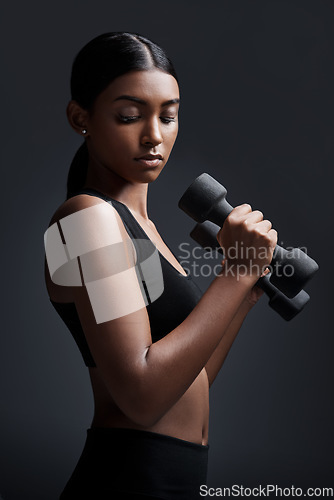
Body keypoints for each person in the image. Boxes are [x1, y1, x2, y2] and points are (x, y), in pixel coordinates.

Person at [44, 32, 277, 499]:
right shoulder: (87, 220)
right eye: (129, 116)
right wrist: (236, 274)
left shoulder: (142, 230)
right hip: (127, 479)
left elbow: (191, 379)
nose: (154, 135)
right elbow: (143, 397)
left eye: (168, 116)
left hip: (177, 478)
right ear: (80, 118)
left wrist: (243, 294)